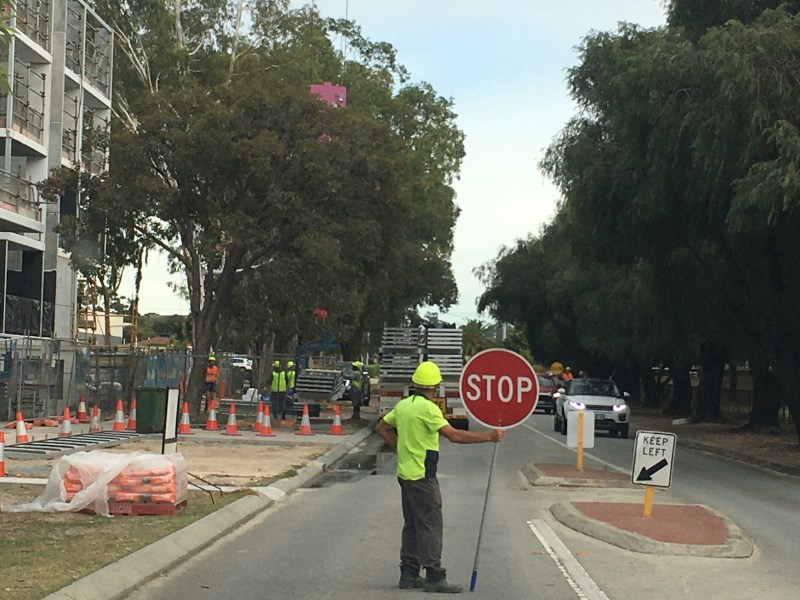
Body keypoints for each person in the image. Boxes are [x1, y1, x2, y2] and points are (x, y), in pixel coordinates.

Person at [375, 361, 505, 593]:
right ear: (435, 386)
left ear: (415, 384)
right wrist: (488, 437)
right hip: (423, 476)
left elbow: (381, 428)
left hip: (405, 474)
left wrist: (400, 448)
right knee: (431, 525)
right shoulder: (429, 409)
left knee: (412, 525)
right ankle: (434, 574)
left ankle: (409, 573)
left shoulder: (404, 405)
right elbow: (454, 436)